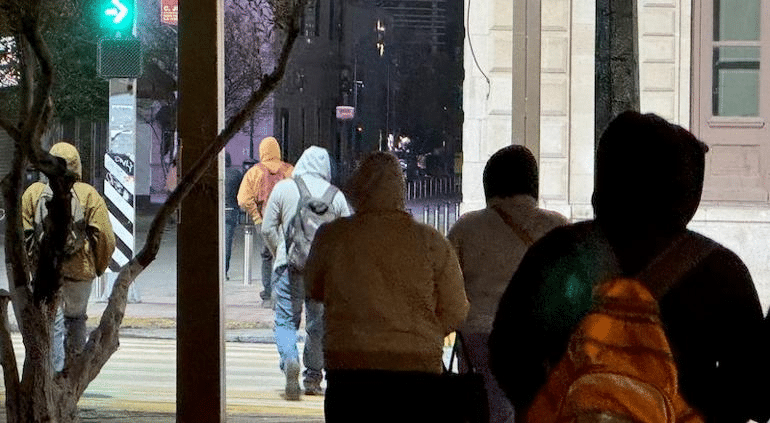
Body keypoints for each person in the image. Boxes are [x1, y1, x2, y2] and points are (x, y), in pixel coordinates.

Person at [488, 111, 767, 422]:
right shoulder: (720, 273)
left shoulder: (555, 253)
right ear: (682, 187)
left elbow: (506, 354)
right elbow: (754, 393)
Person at [304, 151, 469, 421]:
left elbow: (313, 288)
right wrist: (425, 332)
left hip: (348, 368)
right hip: (417, 370)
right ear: (400, 191)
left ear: (358, 189)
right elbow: (456, 309)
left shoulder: (332, 237)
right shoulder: (431, 242)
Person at [447, 145, 568, 423]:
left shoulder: (466, 227)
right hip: (539, 341)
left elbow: (447, 286)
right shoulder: (557, 227)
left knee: (488, 412)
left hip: (480, 339)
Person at [261, 145, 350, 400]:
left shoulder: (284, 188)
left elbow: (267, 228)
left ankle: (290, 359)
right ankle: (313, 378)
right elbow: (348, 236)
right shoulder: (336, 196)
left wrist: (281, 252)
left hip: (289, 268)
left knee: (286, 320)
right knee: (318, 324)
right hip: (323, 273)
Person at [21, 141, 115, 371]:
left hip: (44, 273)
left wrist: (32, 266)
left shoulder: (33, 193)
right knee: (75, 321)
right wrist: (97, 266)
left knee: (50, 322)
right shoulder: (88, 195)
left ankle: (49, 375)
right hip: (79, 273)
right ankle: (71, 375)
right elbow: (105, 238)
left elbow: (22, 235)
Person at [237, 136, 293, 304]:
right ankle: (283, 293)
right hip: (285, 222)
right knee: (285, 256)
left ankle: (268, 295)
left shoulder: (254, 172)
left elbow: (243, 200)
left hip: (263, 221)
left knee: (267, 256)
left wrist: (256, 216)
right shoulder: (289, 170)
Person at [224, 151, 242, 280]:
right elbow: (240, 192)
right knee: (227, 242)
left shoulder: (210, 173)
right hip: (230, 211)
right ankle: (224, 271)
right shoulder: (236, 174)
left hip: (215, 211)